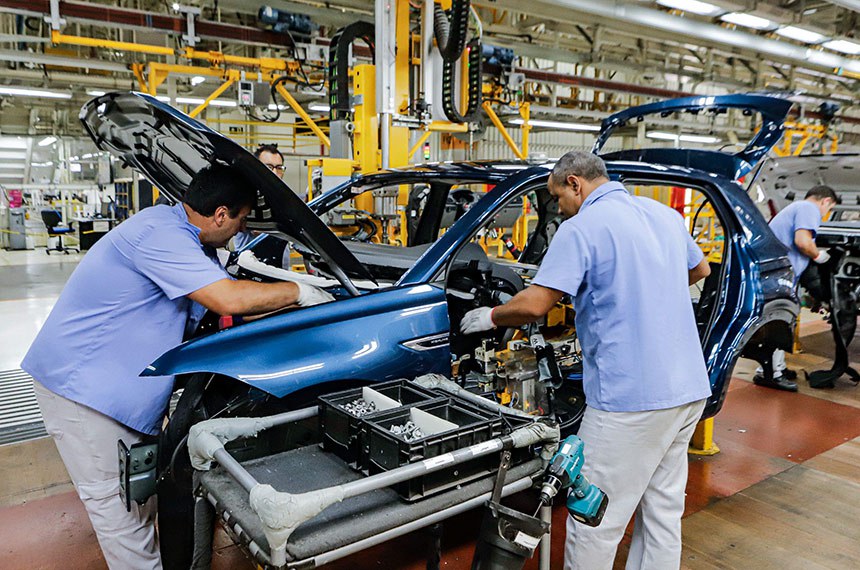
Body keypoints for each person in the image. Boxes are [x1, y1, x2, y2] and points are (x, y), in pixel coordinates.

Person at [20, 163, 332, 570]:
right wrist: (298, 291)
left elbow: (227, 313)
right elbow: (229, 300)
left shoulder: (186, 238)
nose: (239, 232)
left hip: (117, 391)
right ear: (220, 215)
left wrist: (297, 305)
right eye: (239, 222)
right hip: (83, 395)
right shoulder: (160, 235)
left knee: (139, 504)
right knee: (123, 522)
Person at [460, 151, 712, 570]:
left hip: (630, 401)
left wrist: (490, 316)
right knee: (663, 512)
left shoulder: (583, 228)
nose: (557, 208)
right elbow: (699, 268)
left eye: (557, 196)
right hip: (687, 389)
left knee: (593, 515)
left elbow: (537, 304)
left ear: (575, 183)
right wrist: (642, 290)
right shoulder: (664, 215)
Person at [753, 185, 838, 391]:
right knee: (778, 321)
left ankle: (775, 368)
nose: (826, 214)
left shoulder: (795, 208)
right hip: (779, 275)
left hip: (776, 273)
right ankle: (771, 374)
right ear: (825, 201)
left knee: (779, 320)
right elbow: (803, 242)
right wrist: (819, 256)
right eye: (830, 209)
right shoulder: (808, 209)